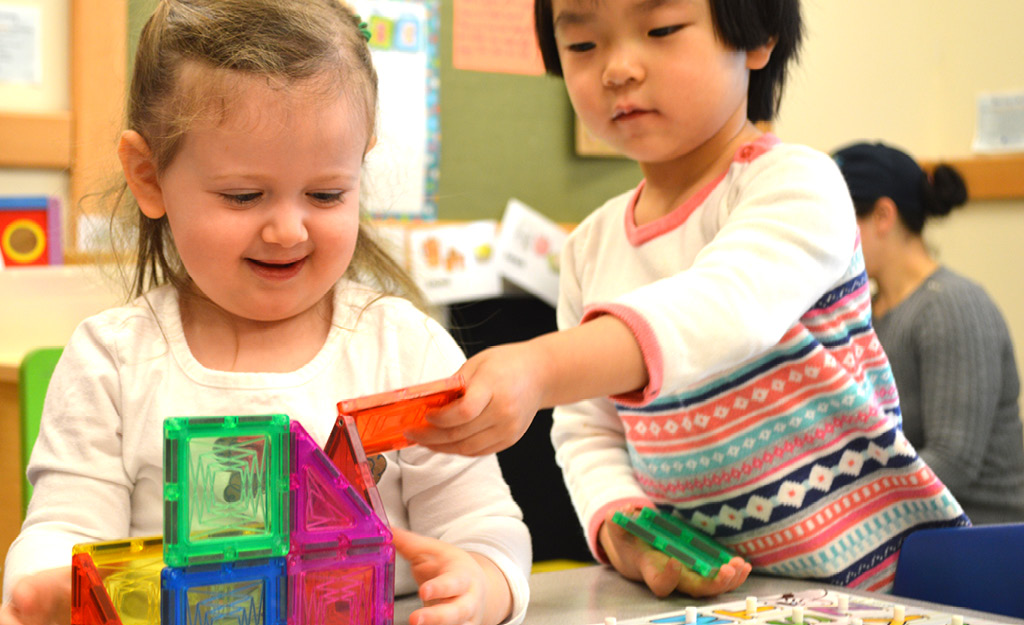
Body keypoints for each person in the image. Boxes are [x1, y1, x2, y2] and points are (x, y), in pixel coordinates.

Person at [0, 2, 531, 624]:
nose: (287, 230)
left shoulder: (406, 349)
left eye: (326, 194)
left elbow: (485, 525)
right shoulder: (112, 361)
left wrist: (485, 583)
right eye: (243, 196)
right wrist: (44, 590)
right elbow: (61, 526)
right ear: (149, 176)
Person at [411, 0, 969, 598]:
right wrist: (625, 525)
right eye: (583, 45)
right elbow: (588, 429)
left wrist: (540, 366)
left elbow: (722, 308)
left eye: (661, 29)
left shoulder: (799, 185)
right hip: (723, 598)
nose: (618, 70)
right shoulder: (589, 249)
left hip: (878, 585)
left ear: (759, 38)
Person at [833, 141, 1024, 525]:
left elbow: (954, 461)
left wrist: (842, 503)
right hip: (914, 527)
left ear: (883, 216)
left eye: (835, 221)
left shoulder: (952, 305)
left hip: (981, 536)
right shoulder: (867, 310)